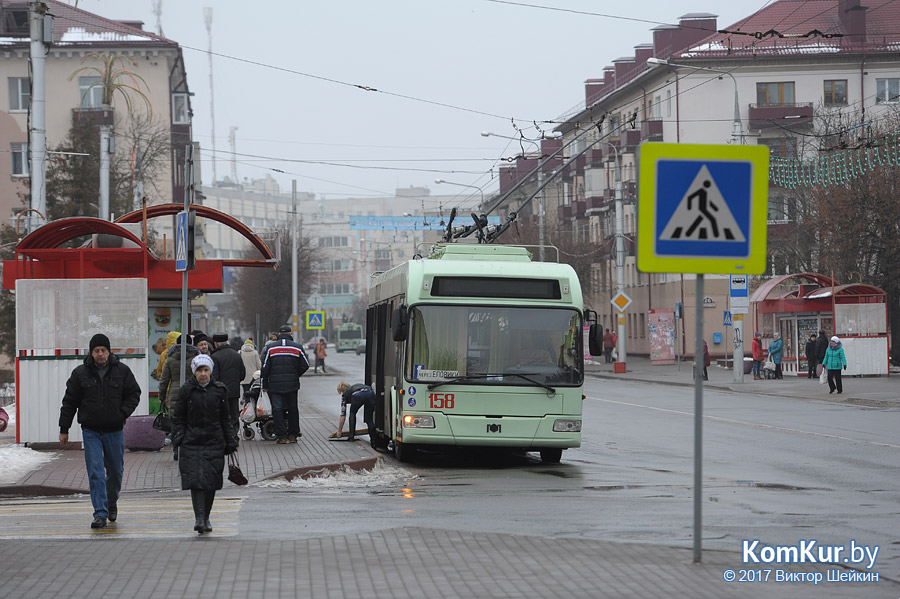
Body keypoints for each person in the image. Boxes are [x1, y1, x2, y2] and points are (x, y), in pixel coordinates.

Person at [59, 333, 141, 529]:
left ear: (109, 351)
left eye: (103, 350)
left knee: (115, 471)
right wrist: (64, 428)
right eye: (96, 351)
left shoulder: (122, 371)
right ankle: (100, 513)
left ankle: (111, 502)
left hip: (114, 430)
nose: (100, 354)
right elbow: (69, 402)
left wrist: (122, 413)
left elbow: (134, 394)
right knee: (95, 471)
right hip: (91, 431)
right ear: (91, 352)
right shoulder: (80, 374)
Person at [172, 354, 237, 534]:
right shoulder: (187, 390)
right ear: (194, 372)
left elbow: (226, 418)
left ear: (210, 371)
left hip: (214, 442)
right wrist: (180, 437)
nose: (203, 374)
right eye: (199, 370)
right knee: (196, 481)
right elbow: (178, 417)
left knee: (211, 481)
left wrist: (230, 440)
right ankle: (199, 518)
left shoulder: (219, 390)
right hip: (191, 442)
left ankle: (206, 517)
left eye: (205, 370)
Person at [261, 325, 310, 444]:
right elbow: (306, 364)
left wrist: (265, 384)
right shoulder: (297, 347)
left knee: (277, 409)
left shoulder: (270, 348)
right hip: (292, 384)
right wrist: (295, 374)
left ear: (279, 334)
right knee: (292, 408)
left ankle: (281, 436)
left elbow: (265, 367)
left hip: (275, 385)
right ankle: (293, 435)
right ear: (290, 334)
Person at [158, 334, 199, 460]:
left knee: (176, 424)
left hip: (175, 394)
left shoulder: (170, 359)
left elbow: (164, 380)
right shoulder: (195, 359)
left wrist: (162, 396)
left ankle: (176, 449)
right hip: (192, 393)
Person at [211, 333, 246, 439]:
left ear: (216, 344)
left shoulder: (214, 357)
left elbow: (214, 377)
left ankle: (224, 436)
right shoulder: (236, 355)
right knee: (234, 414)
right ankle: (234, 435)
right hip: (234, 391)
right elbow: (242, 374)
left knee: (222, 414)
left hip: (220, 392)